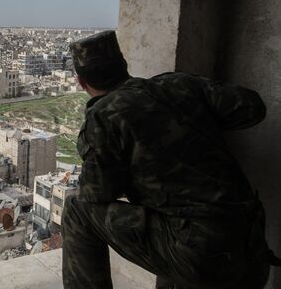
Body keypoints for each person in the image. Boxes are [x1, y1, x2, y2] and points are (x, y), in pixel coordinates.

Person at [61, 30, 279, 289]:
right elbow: (251, 108)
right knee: (168, 217)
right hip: (251, 247)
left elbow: (96, 194)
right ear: (123, 64)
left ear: (82, 82)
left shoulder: (105, 115)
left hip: (202, 257)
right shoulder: (179, 85)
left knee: (77, 209)